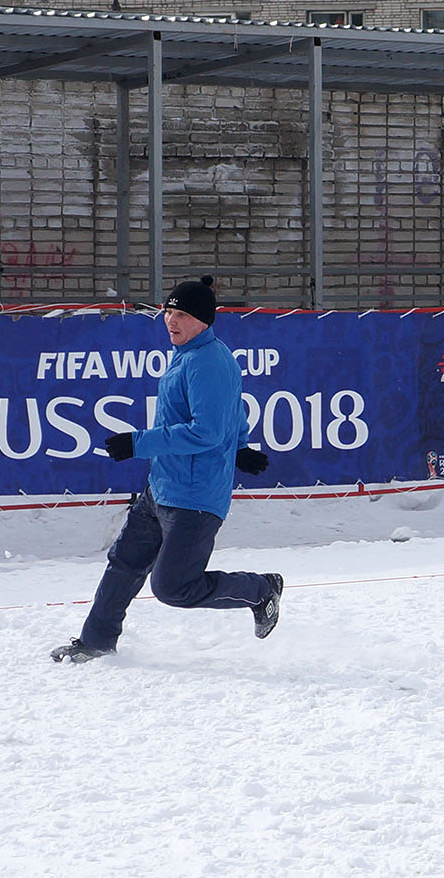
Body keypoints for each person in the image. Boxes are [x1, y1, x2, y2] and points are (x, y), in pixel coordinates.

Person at [52, 276, 281, 662]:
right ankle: (95, 642)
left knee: (174, 588)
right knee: (124, 563)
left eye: (181, 315)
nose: (170, 322)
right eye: (168, 313)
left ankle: (260, 590)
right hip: (162, 487)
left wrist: (139, 443)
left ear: (203, 320)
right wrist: (238, 445)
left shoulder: (207, 362)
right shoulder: (190, 354)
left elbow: (205, 430)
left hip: (194, 496)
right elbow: (233, 408)